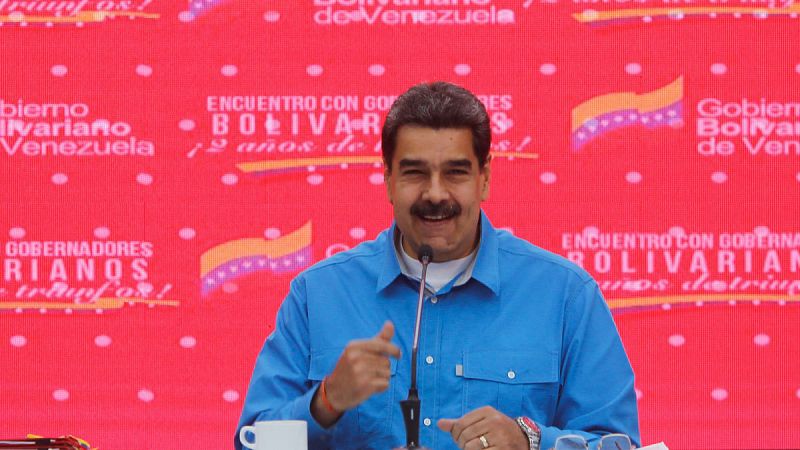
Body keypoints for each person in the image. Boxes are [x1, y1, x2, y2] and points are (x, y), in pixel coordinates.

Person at [236, 82, 640, 450]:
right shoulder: (318, 294)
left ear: (484, 178)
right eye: (414, 173)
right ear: (388, 180)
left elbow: (619, 445)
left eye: (455, 173)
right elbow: (252, 443)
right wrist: (326, 401)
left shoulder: (565, 295)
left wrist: (530, 441)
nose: (435, 193)